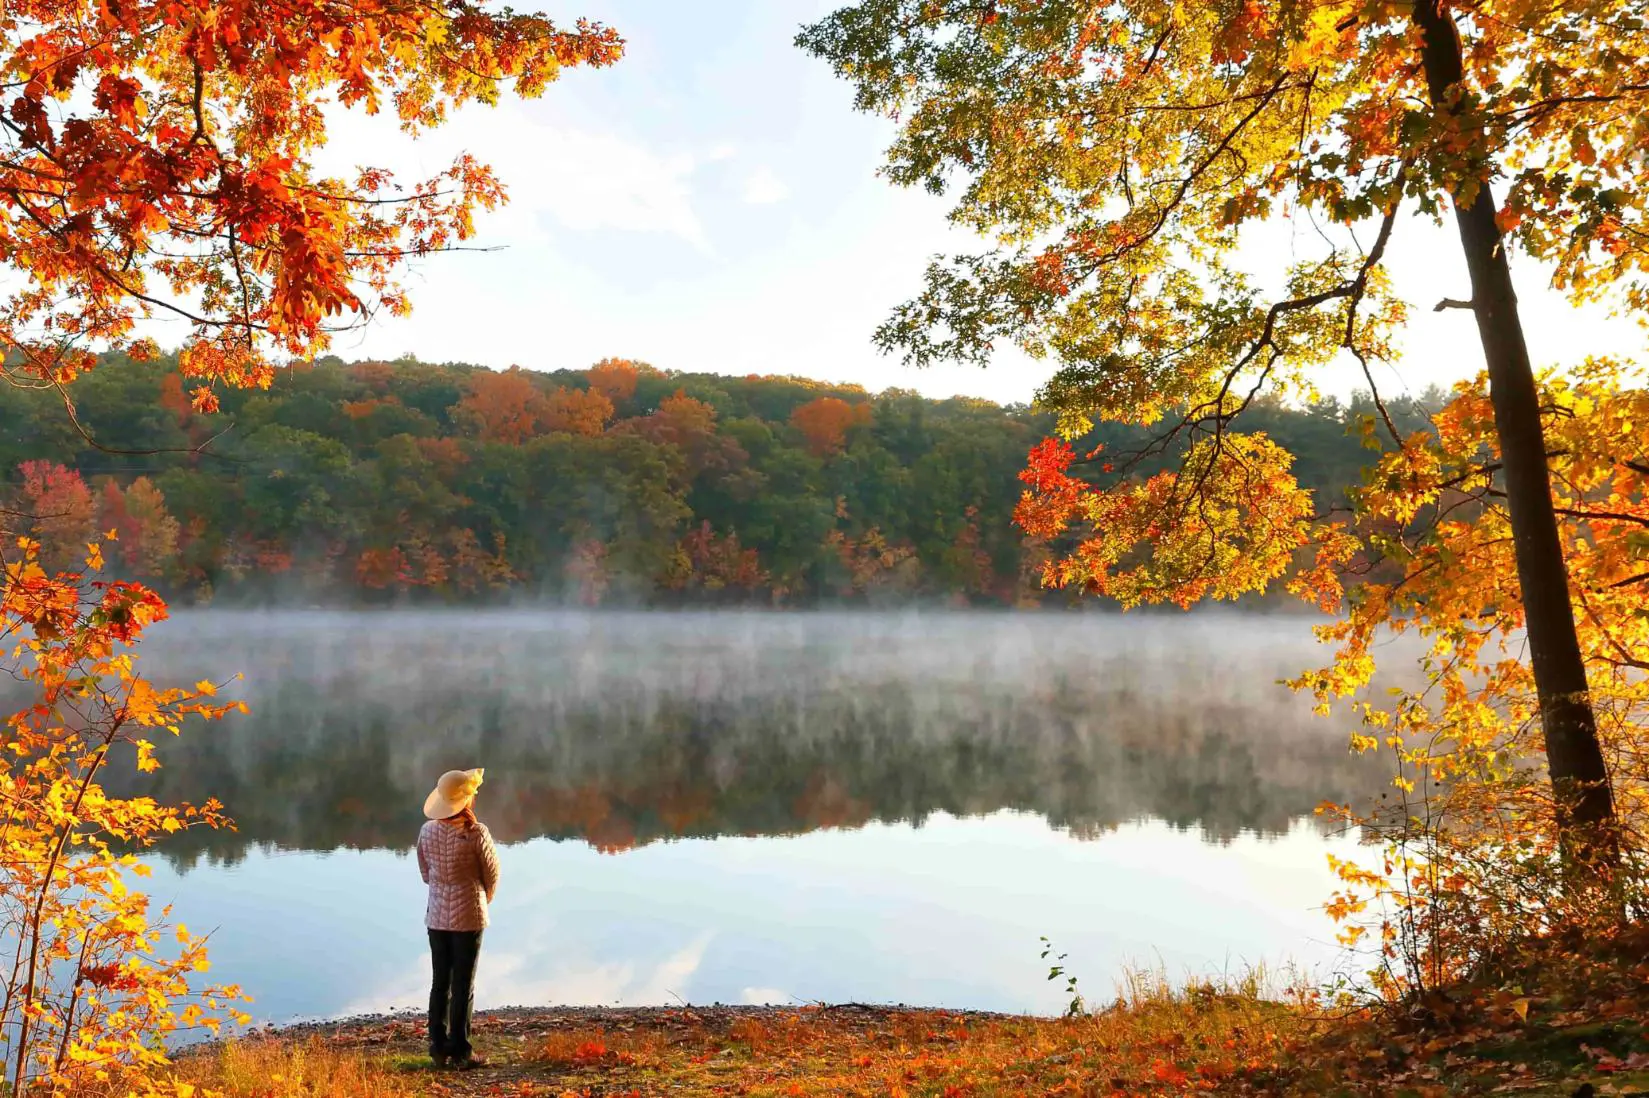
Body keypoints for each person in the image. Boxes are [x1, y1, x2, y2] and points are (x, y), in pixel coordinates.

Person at [416, 767, 501, 1070]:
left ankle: (438, 1047)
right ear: (466, 801)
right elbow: (492, 875)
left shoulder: (427, 831)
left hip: (436, 917)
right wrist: (482, 897)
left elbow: (425, 873)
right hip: (469, 916)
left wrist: (442, 890)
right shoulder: (476, 833)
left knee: (441, 982)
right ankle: (461, 1051)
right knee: (464, 984)